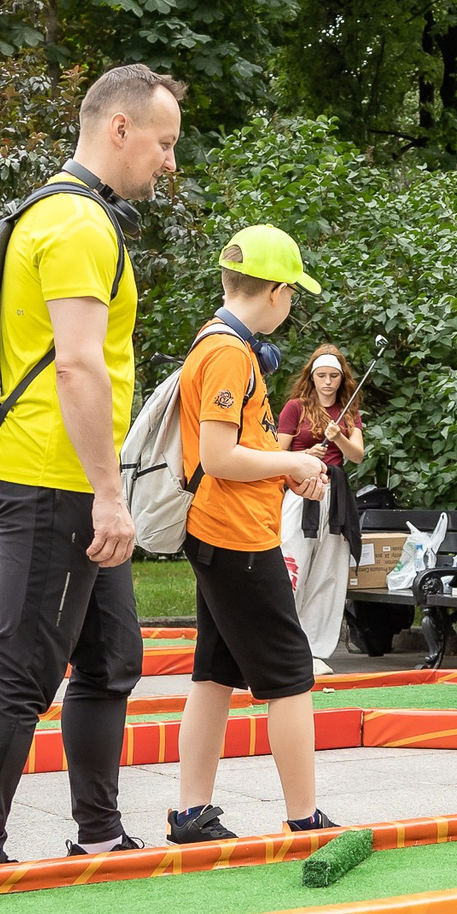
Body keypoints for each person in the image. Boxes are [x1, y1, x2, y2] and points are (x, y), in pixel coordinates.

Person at [0, 63, 184, 866]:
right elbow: (78, 368)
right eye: (163, 142)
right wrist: (109, 496)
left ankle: (98, 828)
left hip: (69, 477)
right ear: (118, 128)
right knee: (21, 671)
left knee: (111, 656)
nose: (169, 161)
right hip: (58, 481)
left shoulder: (53, 212)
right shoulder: (81, 225)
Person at [169, 229, 336, 843]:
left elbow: (243, 447)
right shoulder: (230, 354)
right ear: (275, 292)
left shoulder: (223, 346)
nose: (291, 304)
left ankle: (192, 813)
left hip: (224, 531)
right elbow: (218, 456)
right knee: (291, 674)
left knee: (214, 672)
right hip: (237, 538)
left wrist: (290, 468)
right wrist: (291, 465)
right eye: (291, 291)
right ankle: (304, 819)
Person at [275, 343, 365, 676]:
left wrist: (338, 436)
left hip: (336, 496)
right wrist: (305, 457)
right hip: (302, 492)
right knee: (292, 564)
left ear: (342, 379)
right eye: (321, 375)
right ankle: (283, 645)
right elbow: (276, 454)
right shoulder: (295, 408)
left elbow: (356, 455)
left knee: (329, 571)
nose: (327, 382)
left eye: (334, 376)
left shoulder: (348, 410)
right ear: (311, 377)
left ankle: (314, 650)